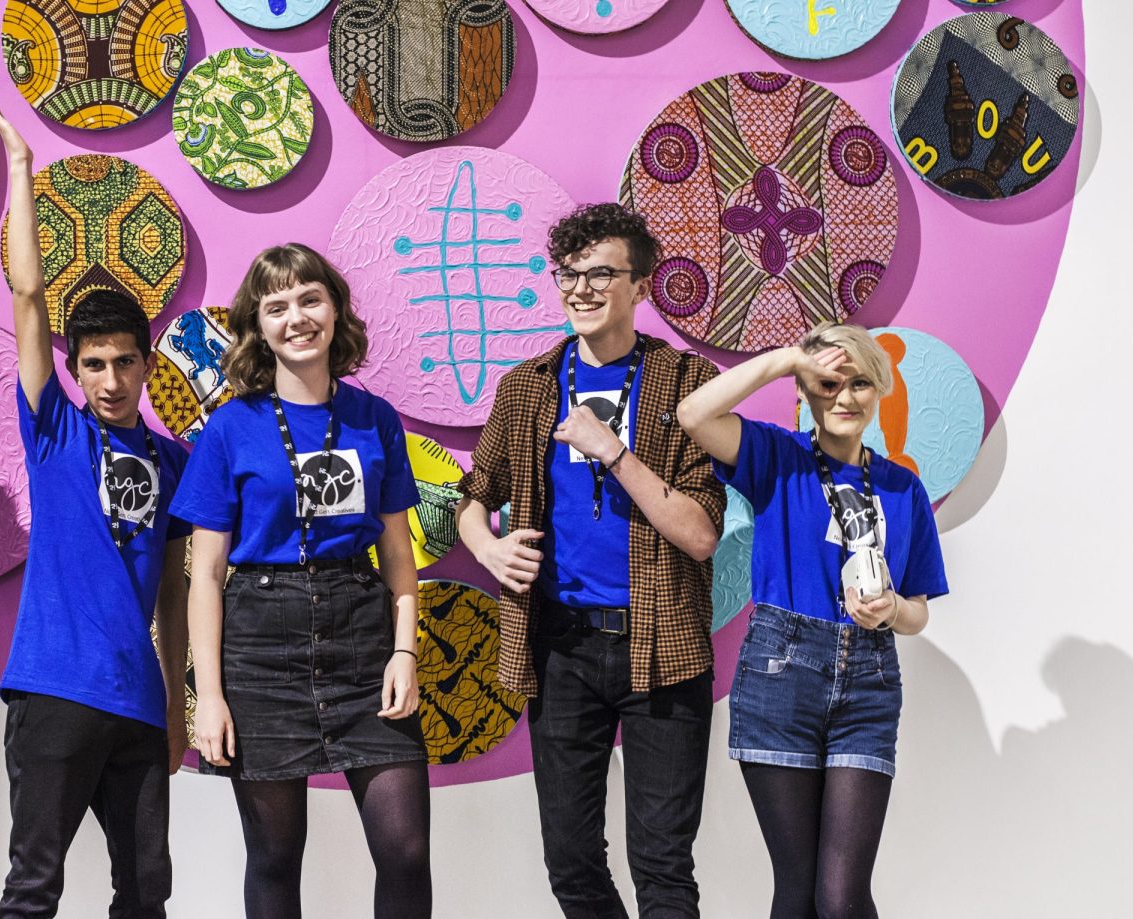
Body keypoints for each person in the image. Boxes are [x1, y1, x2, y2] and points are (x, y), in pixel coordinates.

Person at [456, 203, 725, 919]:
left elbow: (702, 534)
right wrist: (488, 546)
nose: (580, 289)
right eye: (568, 274)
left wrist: (614, 451)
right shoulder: (529, 386)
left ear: (640, 285)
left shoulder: (686, 381)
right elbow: (472, 496)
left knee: (662, 867)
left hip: (662, 643)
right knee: (571, 863)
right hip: (561, 648)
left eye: (601, 273)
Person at [171, 243, 431, 919]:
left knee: (405, 852)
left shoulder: (375, 418)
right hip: (260, 647)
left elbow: (398, 553)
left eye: (310, 299)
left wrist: (405, 651)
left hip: (363, 636)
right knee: (275, 857)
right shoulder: (230, 427)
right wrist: (211, 697)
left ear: (335, 308)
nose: (297, 318)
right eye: (277, 306)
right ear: (258, 326)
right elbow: (206, 574)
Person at [0, 91, 191, 919]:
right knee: (35, 886)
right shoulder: (56, 432)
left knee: (145, 895)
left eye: (124, 362)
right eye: (94, 364)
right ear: (74, 368)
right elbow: (28, 298)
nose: (110, 380)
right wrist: (23, 167)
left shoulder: (174, 461)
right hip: (55, 691)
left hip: (137, 703)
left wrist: (177, 705)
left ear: (147, 364)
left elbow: (174, 589)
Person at [676, 323, 948, 919]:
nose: (844, 397)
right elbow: (693, 415)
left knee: (842, 897)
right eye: (828, 384)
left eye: (859, 383)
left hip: (869, 685)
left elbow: (919, 611)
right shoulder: (778, 458)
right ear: (803, 392)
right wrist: (788, 359)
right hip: (780, 678)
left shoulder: (903, 489)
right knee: (798, 892)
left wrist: (892, 609)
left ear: (879, 391)